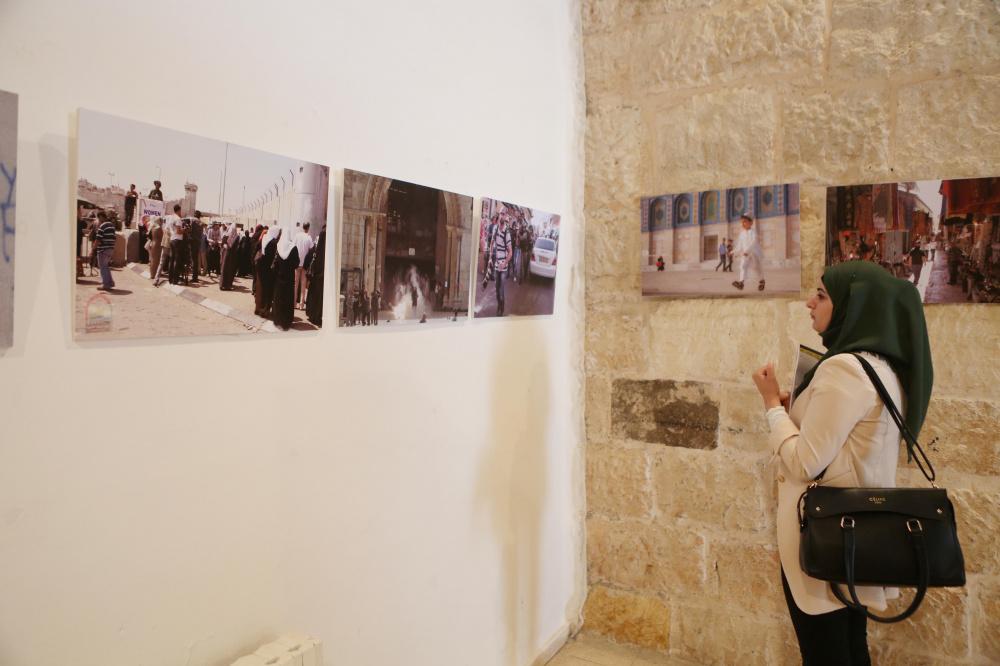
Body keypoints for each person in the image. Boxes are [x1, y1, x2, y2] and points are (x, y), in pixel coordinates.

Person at [751, 261, 932, 666]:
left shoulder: (844, 368)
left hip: (826, 538)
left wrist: (770, 405)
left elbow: (804, 463)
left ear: (855, 305)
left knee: (826, 654)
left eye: (822, 295)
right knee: (850, 650)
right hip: (853, 536)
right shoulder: (879, 366)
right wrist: (796, 411)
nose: (809, 303)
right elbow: (844, 440)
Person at [271, 235, 298, 331]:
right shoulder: (293, 247)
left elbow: (275, 263)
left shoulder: (278, 246)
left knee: (279, 298)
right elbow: (296, 263)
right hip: (289, 278)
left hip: (279, 278)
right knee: (288, 299)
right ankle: (286, 321)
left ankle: (278, 320)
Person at [488, 212, 513, 316]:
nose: (502, 216)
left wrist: (505, 263)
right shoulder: (495, 229)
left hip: (504, 266)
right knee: (497, 289)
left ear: (506, 217)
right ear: (499, 216)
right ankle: (499, 304)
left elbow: (510, 252)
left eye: (504, 214)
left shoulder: (507, 232)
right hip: (497, 264)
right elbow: (491, 243)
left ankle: (501, 308)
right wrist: (490, 257)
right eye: (501, 214)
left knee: (501, 290)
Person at [732, 214, 765, 291]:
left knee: (757, 268)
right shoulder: (742, 234)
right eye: (742, 222)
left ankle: (762, 281)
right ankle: (741, 283)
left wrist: (747, 251)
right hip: (745, 254)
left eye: (745, 222)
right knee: (743, 266)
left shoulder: (753, 232)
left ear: (751, 223)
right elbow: (739, 245)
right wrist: (733, 251)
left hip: (754, 253)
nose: (743, 224)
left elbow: (753, 242)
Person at [254, 227, 280, 318]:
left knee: (260, 288)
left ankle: (258, 308)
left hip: (260, 267)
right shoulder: (274, 243)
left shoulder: (264, 238)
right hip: (268, 270)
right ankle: (265, 310)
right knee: (267, 290)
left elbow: (256, 248)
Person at [305, 227, 325, 327]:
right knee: (319, 298)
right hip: (321, 277)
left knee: (314, 297)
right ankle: (317, 317)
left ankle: (313, 315)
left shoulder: (316, 250)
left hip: (316, 276)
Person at [94, 211, 117, 290]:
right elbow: (114, 238)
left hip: (103, 249)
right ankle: (110, 282)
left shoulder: (102, 226)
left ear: (101, 217)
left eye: (98, 218)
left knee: (102, 267)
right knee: (105, 266)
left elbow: (98, 239)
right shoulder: (111, 225)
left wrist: (92, 250)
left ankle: (106, 284)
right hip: (110, 249)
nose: (98, 220)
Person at [294, 222, 314, 309]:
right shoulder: (309, 238)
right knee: (303, 284)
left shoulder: (297, 236)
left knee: (295, 284)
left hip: (297, 263)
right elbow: (311, 249)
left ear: (303, 227)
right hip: (305, 264)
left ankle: (294, 303)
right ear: (308, 228)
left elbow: (293, 246)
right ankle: (301, 305)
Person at [163, 204, 185, 285]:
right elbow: (179, 231)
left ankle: (170, 279)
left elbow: (170, 229)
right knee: (176, 260)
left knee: (171, 260)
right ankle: (175, 280)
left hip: (172, 239)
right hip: (177, 240)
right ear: (179, 210)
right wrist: (185, 230)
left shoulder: (171, 218)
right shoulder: (178, 219)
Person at [219, 223, 240, 291]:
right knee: (229, 270)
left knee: (224, 269)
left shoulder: (226, 235)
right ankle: (227, 285)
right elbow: (235, 247)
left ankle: (222, 285)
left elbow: (222, 244)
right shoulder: (236, 237)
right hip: (231, 256)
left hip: (225, 254)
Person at [188, 212, 203, 283]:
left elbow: (189, 230)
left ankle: (194, 277)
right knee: (195, 260)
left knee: (192, 259)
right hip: (198, 242)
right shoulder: (201, 223)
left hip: (192, 241)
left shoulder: (192, 220)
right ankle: (195, 277)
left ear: (195, 215)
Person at [147, 216, 164, 281]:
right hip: (157, 244)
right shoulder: (159, 228)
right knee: (156, 260)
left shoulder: (153, 227)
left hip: (153, 243)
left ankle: (152, 274)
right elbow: (162, 236)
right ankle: (154, 275)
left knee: (153, 260)